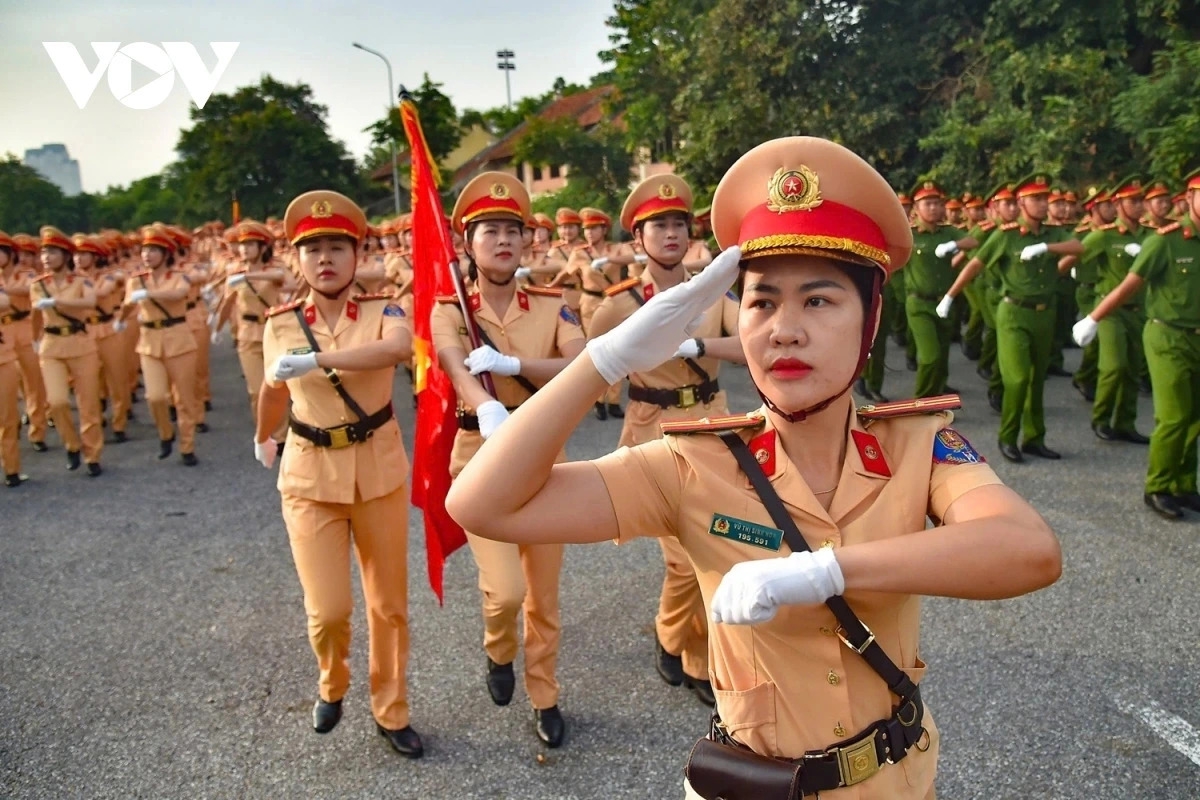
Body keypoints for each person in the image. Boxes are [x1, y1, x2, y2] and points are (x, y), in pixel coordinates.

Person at [445, 136, 1062, 799]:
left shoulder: (917, 444)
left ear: (872, 316)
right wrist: (603, 361)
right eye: (763, 302)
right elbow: (483, 505)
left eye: (819, 301)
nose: (783, 330)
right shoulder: (692, 463)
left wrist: (825, 570)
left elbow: (1028, 551)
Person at [254, 189, 423, 758]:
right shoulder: (279, 322)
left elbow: (395, 351)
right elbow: (272, 388)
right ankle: (332, 683)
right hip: (308, 475)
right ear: (297, 260)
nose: (325, 258)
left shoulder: (386, 311)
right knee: (327, 610)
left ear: (358, 255)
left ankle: (391, 709)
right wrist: (261, 436)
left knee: (388, 605)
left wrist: (320, 360)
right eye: (313, 249)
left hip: (377, 467)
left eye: (337, 247)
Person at [432, 172, 586, 748]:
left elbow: (578, 362)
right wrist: (484, 404)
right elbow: (451, 361)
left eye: (511, 231)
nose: (501, 240)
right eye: (488, 230)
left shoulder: (553, 306)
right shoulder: (450, 307)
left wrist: (513, 366)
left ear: (527, 243)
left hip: (545, 459)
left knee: (544, 597)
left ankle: (544, 694)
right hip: (479, 453)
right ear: (468, 244)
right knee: (506, 593)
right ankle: (498, 650)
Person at [588, 174, 744, 708]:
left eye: (680, 223)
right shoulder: (619, 303)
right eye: (659, 225)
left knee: (712, 546)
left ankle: (685, 648)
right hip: (654, 426)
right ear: (638, 240)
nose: (671, 233)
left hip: (712, 421)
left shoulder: (712, 290)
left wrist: (699, 342)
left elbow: (748, 343)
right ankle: (677, 640)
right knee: (683, 557)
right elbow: (589, 368)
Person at [1073, 167, 1200, 520]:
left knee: (1194, 417)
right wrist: (1093, 319)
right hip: (1168, 335)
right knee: (1174, 416)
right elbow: (1129, 284)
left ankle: (1184, 485)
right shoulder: (1165, 241)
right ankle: (1158, 487)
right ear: (1188, 199)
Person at [941, 174, 1083, 462]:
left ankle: (1034, 438)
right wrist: (951, 296)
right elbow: (975, 265)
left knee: (1037, 379)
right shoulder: (1005, 235)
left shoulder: (1052, 234)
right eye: (1036, 199)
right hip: (1014, 313)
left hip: (1044, 313)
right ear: (1021, 203)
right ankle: (1008, 437)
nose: (1043, 204)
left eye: (1045, 198)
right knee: (1017, 379)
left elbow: (1080, 248)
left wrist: (1047, 249)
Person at [123, 225, 201, 465]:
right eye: (145, 250)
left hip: (178, 337)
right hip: (149, 341)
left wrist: (148, 295)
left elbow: (179, 294)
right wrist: (126, 308)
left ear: (166, 253)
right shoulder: (136, 281)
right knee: (155, 397)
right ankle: (166, 433)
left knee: (185, 398)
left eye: (154, 250)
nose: (147, 255)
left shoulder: (179, 276)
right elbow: (127, 305)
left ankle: (187, 445)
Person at [33, 226, 103, 475]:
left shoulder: (82, 281)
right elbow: (34, 315)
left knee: (88, 404)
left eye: (52, 252)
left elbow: (89, 303)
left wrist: (59, 302)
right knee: (57, 401)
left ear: (65, 255)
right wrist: (33, 340)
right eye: (44, 253)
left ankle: (92, 454)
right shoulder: (38, 285)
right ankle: (71, 444)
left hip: (80, 344)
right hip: (51, 346)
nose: (46, 258)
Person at [905, 181, 976, 397]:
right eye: (927, 203)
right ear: (916, 209)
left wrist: (955, 246)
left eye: (937, 203)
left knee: (943, 352)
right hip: (918, 302)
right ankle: (920, 402)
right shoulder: (910, 234)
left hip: (944, 301)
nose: (934, 208)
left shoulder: (949, 233)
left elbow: (973, 241)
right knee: (930, 356)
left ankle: (937, 392)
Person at [71, 233, 130, 443]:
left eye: (84, 254)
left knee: (117, 378)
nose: (78, 259)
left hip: (107, 328)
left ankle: (119, 422)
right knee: (89, 381)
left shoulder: (110, 276)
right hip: (85, 331)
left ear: (95, 257)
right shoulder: (72, 280)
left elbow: (102, 293)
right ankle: (95, 421)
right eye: (76, 254)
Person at [0, 232, 48, 452]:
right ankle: (13, 419)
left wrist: (3, 291)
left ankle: (37, 429)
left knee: (33, 381)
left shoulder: (27, 274)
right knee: (12, 383)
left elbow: (29, 289)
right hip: (3, 331)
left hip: (25, 327)